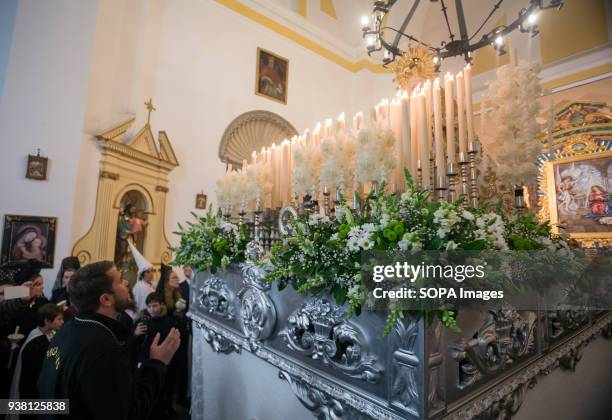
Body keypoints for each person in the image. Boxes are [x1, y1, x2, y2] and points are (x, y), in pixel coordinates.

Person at [37, 261, 180, 420]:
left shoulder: (66, 330)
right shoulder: (103, 349)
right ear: (106, 299)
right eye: (119, 281)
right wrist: (157, 364)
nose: (126, 284)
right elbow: (127, 413)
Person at [10, 303, 64, 401]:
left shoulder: (51, 333)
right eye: (59, 319)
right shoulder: (35, 345)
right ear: (47, 321)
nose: (62, 322)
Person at [130, 242, 157, 311]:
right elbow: (138, 305)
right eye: (148, 272)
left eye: (152, 271)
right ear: (143, 274)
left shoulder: (154, 284)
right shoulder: (139, 286)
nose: (151, 273)